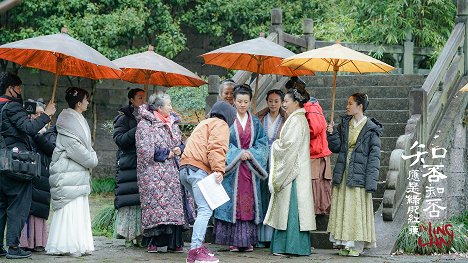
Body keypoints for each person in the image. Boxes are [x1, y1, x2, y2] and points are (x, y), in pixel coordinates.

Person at [0, 72, 55, 259]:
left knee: (0, 206)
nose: (21, 90)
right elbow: (30, 128)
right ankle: (14, 247)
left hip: (1, 164)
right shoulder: (12, 106)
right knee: (18, 205)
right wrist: (46, 115)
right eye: (18, 86)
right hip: (15, 165)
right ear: (10, 88)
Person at [213, 84, 269, 252]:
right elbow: (222, 142)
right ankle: (232, 240)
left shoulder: (256, 122)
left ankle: (247, 241)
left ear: (251, 102)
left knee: (248, 204)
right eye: (239, 101)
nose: (242, 104)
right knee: (233, 204)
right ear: (234, 101)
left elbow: (262, 143)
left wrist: (251, 153)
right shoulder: (228, 120)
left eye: (246, 101)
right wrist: (238, 153)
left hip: (250, 169)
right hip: (233, 169)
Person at [179, 101, 236, 263]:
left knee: (201, 209)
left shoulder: (203, 123)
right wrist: (219, 169)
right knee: (205, 210)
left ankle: (199, 245)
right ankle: (195, 250)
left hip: (185, 169)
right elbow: (216, 147)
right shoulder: (221, 125)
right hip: (198, 170)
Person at [326, 93, 382, 257]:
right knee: (344, 206)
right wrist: (332, 134)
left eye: (350, 104)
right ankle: (344, 244)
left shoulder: (371, 128)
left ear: (360, 106)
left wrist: (371, 182)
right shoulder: (344, 124)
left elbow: (374, 158)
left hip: (359, 174)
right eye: (347, 103)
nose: (347, 106)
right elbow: (336, 148)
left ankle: (355, 246)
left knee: (355, 208)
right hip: (344, 171)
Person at [263, 88, 316, 256]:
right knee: (292, 209)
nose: (284, 104)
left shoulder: (296, 121)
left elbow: (288, 147)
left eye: (286, 101)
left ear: (296, 102)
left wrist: (276, 145)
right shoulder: (298, 119)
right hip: (297, 170)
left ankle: (289, 247)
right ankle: (294, 247)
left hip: (293, 173)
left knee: (291, 209)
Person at [46, 87, 98, 257]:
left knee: (77, 209)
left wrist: (90, 155)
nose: (88, 103)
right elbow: (76, 149)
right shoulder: (68, 122)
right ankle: (65, 244)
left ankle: (78, 243)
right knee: (69, 209)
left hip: (75, 174)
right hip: (68, 173)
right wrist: (92, 159)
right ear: (78, 103)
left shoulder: (77, 119)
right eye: (86, 100)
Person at [135, 93, 186, 253]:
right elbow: (144, 150)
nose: (171, 108)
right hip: (153, 174)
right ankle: (154, 242)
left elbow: (181, 142)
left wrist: (180, 148)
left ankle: (174, 242)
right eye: (168, 105)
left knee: (174, 208)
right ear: (159, 107)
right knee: (155, 207)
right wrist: (168, 153)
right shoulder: (145, 124)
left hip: (173, 172)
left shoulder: (173, 122)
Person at [286, 77, 333, 215]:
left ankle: (315, 212)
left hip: (315, 152)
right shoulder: (307, 105)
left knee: (314, 186)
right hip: (311, 152)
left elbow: (316, 128)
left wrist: (297, 133)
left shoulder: (310, 106)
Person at [19, 99, 57, 252]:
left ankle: (38, 241)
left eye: (41, 113)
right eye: (35, 113)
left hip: (42, 175)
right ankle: (24, 242)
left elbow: (52, 150)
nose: (38, 116)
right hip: (27, 174)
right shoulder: (24, 129)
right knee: (25, 208)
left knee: (39, 208)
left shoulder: (48, 132)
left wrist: (39, 135)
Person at [113, 88, 145, 247]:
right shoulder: (123, 118)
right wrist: (137, 128)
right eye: (139, 98)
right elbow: (120, 140)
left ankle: (141, 234)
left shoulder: (149, 117)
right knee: (129, 200)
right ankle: (127, 234)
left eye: (144, 98)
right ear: (131, 100)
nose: (142, 100)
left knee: (141, 201)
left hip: (144, 164)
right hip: (128, 164)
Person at [255, 89, 286, 247]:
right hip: (261, 159)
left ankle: (273, 235)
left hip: (277, 160)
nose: (273, 104)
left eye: (276, 101)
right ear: (266, 101)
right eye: (270, 101)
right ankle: (260, 236)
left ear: (282, 102)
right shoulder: (260, 117)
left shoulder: (286, 119)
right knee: (261, 196)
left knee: (275, 195)